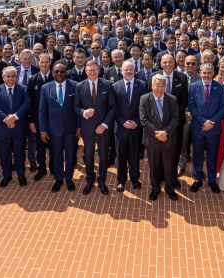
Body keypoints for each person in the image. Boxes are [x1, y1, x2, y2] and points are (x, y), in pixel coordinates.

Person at [75, 61, 115, 195]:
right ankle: (90, 180)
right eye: (90, 70)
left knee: (103, 155)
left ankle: (102, 181)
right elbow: (76, 107)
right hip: (87, 127)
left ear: (99, 71)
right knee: (89, 155)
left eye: (95, 70)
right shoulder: (80, 86)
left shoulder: (107, 85)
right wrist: (84, 113)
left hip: (103, 127)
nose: (92, 72)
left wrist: (104, 125)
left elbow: (112, 107)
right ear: (86, 71)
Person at [40, 61, 79, 192]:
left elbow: (78, 109)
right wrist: (43, 129)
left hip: (70, 128)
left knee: (70, 154)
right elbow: (42, 110)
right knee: (56, 154)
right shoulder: (45, 88)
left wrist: (79, 127)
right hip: (53, 128)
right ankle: (58, 179)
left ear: (66, 73)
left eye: (62, 71)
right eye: (56, 71)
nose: (59, 73)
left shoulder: (75, 86)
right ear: (52, 73)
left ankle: (68, 178)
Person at [140, 73, 180, 201]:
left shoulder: (172, 99)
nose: (160, 88)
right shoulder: (144, 99)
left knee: (169, 166)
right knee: (154, 166)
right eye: (157, 85)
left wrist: (165, 132)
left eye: (163, 86)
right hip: (152, 139)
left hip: (168, 138)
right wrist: (157, 133)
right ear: (152, 86)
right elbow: (144, 120)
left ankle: (169, 189)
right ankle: (155, 189)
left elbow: (175, 118)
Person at [0, 66, 30, 187]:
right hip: (2, 128)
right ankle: (7, 175)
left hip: (19, 127)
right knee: (4, 154)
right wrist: (6, 118)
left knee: (20, 153)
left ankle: (21, 174)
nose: (11, 78)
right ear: (3, 78)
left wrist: (15, 117)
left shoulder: (23, 89)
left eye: (13, 76)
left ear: (16, 77)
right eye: (8, 76)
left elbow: (27, 103)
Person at [188, 63, 224, 193]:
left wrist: (212, 122)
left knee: (212, 154)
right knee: (197, 154)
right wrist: (203, 121)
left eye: (209, 73)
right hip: (198, 127)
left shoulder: (219, 87)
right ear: (200, 72)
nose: (206, 75)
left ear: (213, 73)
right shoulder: (193, 87)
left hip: (213, 129)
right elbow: (191, 106)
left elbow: (223, 107)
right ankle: (198, 178)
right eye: (204, 72)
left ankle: (211, 180)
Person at [154, 53, 188, 187]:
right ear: (161, 64)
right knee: (158, 151)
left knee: (175, 151)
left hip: (176, 123)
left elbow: (184, 100)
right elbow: (149, 100)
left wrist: (173, 117)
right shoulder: (154, 77)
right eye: (165, 62)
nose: (168, 64)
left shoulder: (182, 77)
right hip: (158, 123)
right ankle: (160, 175)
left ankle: (173, 177)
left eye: (170, 62)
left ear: (173, 64)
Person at [112, 60, 146, 191]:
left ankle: (135, 178)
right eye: (126, 69)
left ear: (134, 70)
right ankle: (121, 180)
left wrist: (136, 122)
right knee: (120, 156)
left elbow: (144, 107)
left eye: (131, 69)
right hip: (121, 128)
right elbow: (113, 108)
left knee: (134, 154)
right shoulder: (115, 86)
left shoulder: (142, 85)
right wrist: (122, 122)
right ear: (121, 71)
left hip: (135, 128)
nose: (128, 72)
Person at [28, 53, 53, 181]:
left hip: (53, 119)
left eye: (46, 62)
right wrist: (31, 121)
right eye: (41, 62)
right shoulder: (33, 79)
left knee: (54, 145)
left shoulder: (56, 77)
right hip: (39, 119)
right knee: (40, 145)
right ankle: (41, 169)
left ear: (50, 62)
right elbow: (30, 102)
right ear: (38, 63)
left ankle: (54, 168)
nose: (44, 64)